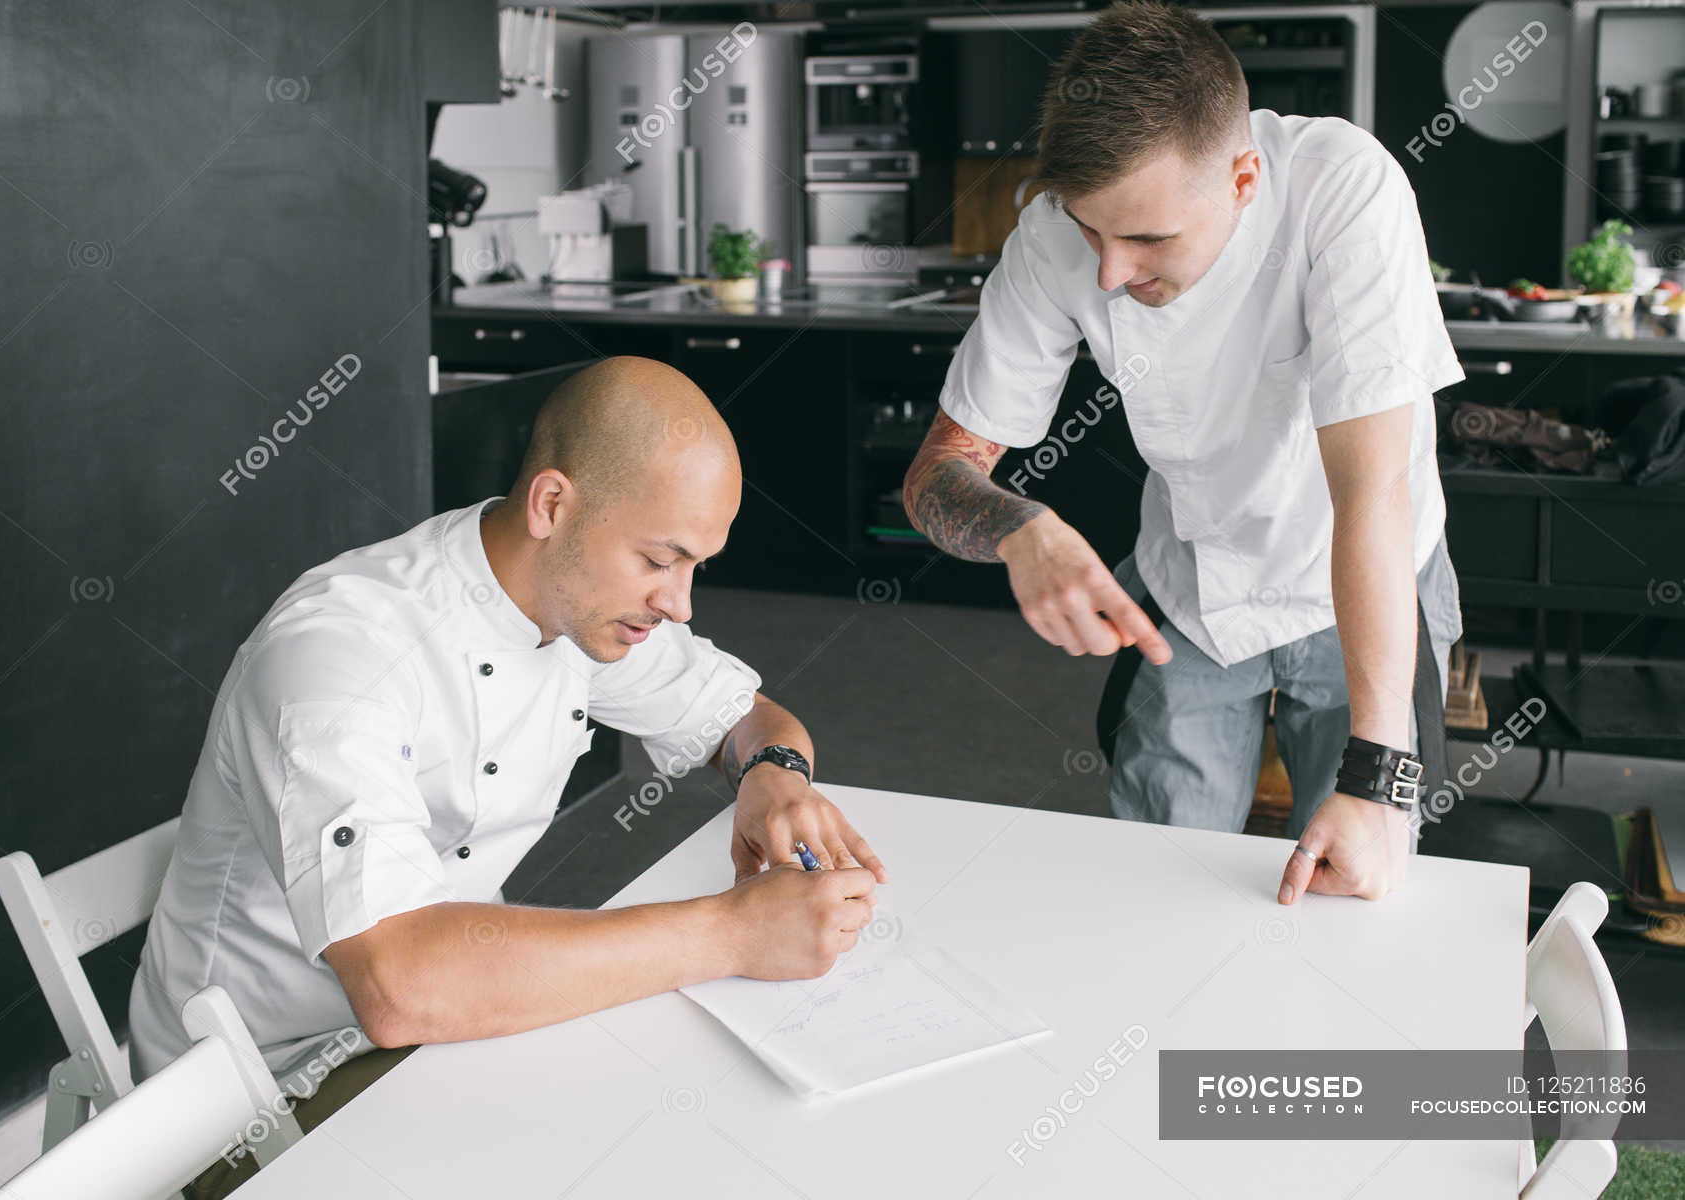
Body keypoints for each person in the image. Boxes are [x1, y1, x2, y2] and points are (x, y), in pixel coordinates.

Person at [130, 356, 884, 1198]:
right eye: (660, 560)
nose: (681, 604)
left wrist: (774, 775)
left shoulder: (577, 603)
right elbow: (396, 983)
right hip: (251, 1099)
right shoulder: (341, 652)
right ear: (552, 505)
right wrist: (732, 932)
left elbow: (751, 718)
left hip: (438, 1026)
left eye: (695, 565)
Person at [903, 0, 1462, 908]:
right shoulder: (1053, 236)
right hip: (1191, 588)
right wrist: (1020, 528)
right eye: (1093, 230)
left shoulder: (1344, 191)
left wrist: (1376, 781)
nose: (1111, 273)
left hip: (1361, 576)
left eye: (1150, 238)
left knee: (1358, 878)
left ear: (1244, 179)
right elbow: (936, 473)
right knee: (1159, 886)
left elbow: (1372, 497)